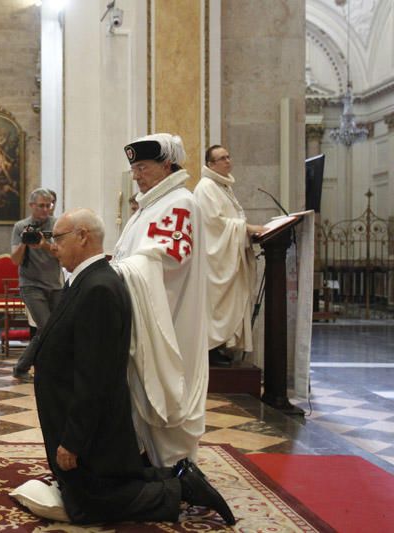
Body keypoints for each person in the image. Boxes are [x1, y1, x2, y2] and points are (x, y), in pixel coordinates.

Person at [28, 207, 234, 526]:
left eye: (58, 238)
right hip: (81, 418)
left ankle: (180, 486)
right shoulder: (84, 280)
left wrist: (73, 441)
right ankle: (176, 476)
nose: (52, 245)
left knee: (92, 502)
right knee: (105, 484)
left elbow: (94, 376)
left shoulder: (98, 287)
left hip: (93, 425)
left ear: (83, 237)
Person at [111, 133, 209, 468]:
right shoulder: (151, 205)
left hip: (169, 316)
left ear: (166, 165)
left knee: (165, 393)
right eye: (134, 168)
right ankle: (149, 463)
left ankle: (175, 469)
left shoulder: (180, 202)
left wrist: (115, 273)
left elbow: (169, 256)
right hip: (144, 313)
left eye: (142, 167)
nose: (136, 175)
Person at [194, 145, 264, 366]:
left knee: (225, 305)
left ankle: (220, 347)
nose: (228, 161)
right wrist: (248, 228)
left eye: (228, 157)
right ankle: (210, 349)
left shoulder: (222, 186)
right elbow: (214, 224)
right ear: (211, 164)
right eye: (222, 158)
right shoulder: (206, 187)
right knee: (215, 305)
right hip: (215, 260)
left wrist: (244, 231)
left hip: (226, 254)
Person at [10, 188, 63, 381]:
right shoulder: (20, 226)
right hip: (31, 284)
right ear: (32, 206)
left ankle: (26, 366)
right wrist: (25, 242)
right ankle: (25, 367)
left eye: (48, 205)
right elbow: (15, 260)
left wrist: (44, 245)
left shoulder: (57, 225)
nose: (45, 210)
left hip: (55, 284)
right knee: (47, 326)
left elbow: (61, 254)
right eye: (41, 206)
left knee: (53, 328)